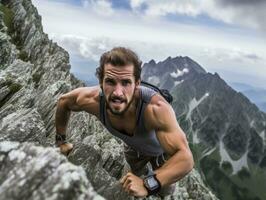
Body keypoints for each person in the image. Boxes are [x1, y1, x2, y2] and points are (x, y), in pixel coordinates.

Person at [55, 47, 194, 198]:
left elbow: (186, 158)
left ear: (137, 85)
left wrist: (148, 185)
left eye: (126, 82)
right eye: (110, 82)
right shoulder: (92, 100)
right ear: (101, 83)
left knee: (164, 190)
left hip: (161, 152)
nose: (117, 92)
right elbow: (63, 102)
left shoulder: (156, 109)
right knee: (133, 178)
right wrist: (61, 142)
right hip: (133, 149)